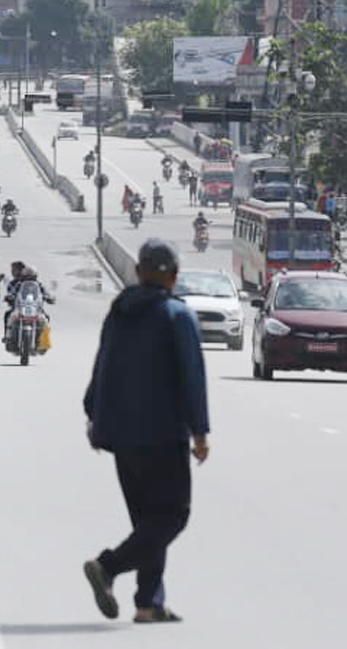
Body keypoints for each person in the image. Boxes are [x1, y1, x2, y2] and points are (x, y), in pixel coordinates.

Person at [81, 239, 210, 624]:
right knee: (172, 517)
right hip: (163, 436)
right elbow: (193, 379)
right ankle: (108, 566)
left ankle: (149, 603)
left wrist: (93, 415)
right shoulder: (177, 315)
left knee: (148, 523)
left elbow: (101, 364)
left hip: (120, 436)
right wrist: (200, 433)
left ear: (138, 274)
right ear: (173, 276)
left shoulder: (119, 311)